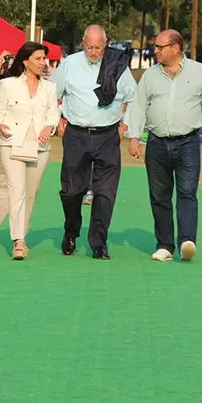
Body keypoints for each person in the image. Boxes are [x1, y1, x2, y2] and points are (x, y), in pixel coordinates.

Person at [126, 30, 202, 262]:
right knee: (159, 195)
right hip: (157, 142)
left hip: (187, 142)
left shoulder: (199, 72)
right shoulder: (150, 75)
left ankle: (187, 241)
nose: (155, 50)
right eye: (155, 47)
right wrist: (134, 136)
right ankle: (165, 245)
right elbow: (139, 106)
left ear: (176, 48)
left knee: (187, 192)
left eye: (160, 46)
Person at [55, 25, 136, 259]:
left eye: (98, 46)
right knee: (71, 191)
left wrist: (125, 123)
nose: (93, 51)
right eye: (89, 46)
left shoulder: (117, 64)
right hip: (76, 135)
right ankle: (71, 230)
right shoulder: (69, 63)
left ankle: (99, 242)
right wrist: (57, 118)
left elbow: (134, 96)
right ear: (83, 42)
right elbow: (52, 93)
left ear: (106, 43)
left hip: (108, 136)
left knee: (105, 192)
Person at [0, 42, 60, 260]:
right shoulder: (8, 84)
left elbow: (53, 112)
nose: (43, 63)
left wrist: (50, 127)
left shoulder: (49, 87)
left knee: (31, 193)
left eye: (44, 59)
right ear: (25, 61)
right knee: (17, 190)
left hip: (39, 146)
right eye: (38, 59)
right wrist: (0, 126)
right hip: (13, 143)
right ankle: (18, 241)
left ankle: (23, 233)